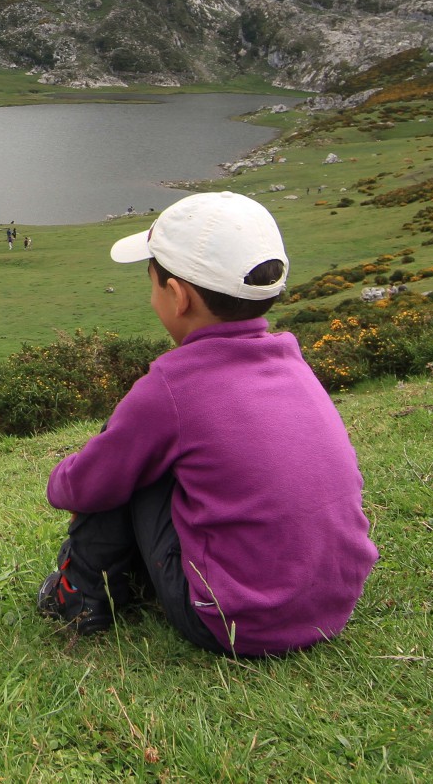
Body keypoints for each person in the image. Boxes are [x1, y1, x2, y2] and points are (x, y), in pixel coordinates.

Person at [38, 191, 376, 657]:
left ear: (178, 296)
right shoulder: (291, 360)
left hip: (236, 622)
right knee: (160, 457)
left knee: (129, 470)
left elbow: (84, 487)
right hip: (330, 607)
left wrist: (60, 478)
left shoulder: (174, 387)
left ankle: (78, 599)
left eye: (152, 279)